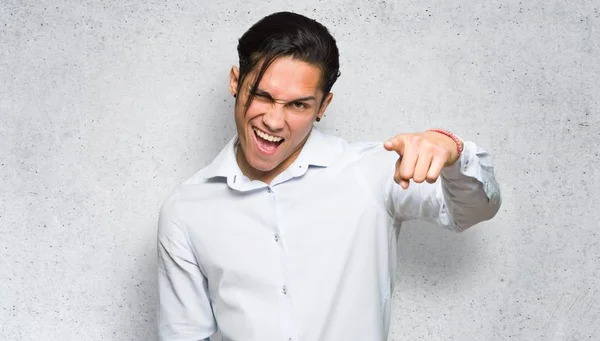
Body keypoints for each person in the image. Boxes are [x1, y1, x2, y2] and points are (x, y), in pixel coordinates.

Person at [156, 11, 501, 341]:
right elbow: (184, 334)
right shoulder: (186, 209)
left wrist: (452, 151)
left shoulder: (372, 172)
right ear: (236, 81)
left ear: (323, 106)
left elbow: (471, 211)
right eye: (262, 96)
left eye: (298, 105)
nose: (274, 122)